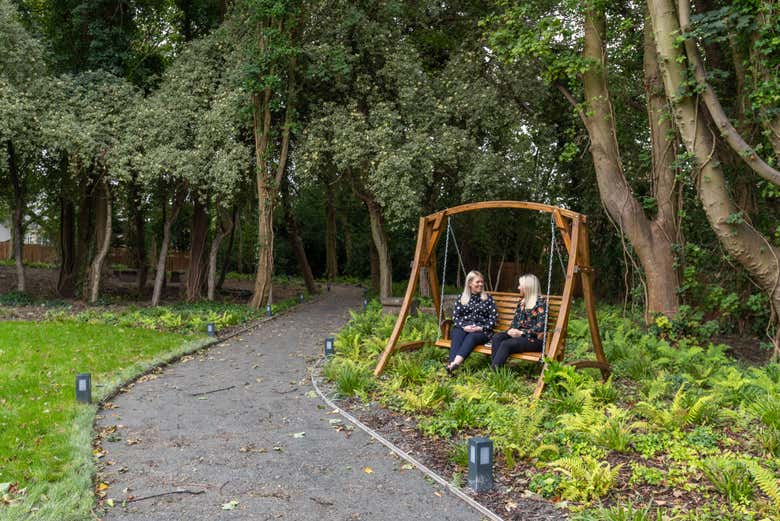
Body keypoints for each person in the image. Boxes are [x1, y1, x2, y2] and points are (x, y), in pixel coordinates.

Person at [445, 270, 498, 376]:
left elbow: (493, 320)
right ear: (469, 283)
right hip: (464, 328)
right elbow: (456, 317)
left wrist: (480, 328)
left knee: (472, 337)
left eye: (482, 282)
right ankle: (452, 366)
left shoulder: (488, 299)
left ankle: (454, 364)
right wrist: (464, 326)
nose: (481, 284)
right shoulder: (462, 298)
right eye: (477, 282)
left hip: (482, 331)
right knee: (457, 333)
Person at [490, 274, 548, 369]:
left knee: (506, 344)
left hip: (534, 339)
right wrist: (510, 331)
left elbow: (541, 327)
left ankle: (493, 372)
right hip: (519, 336)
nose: (518, 287)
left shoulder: (541, 303)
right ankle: (496, 369)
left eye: (520, 285)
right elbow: (515, 323)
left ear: (527, 287)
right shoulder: (522, 302)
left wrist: (522, 333)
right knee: (497, 337)